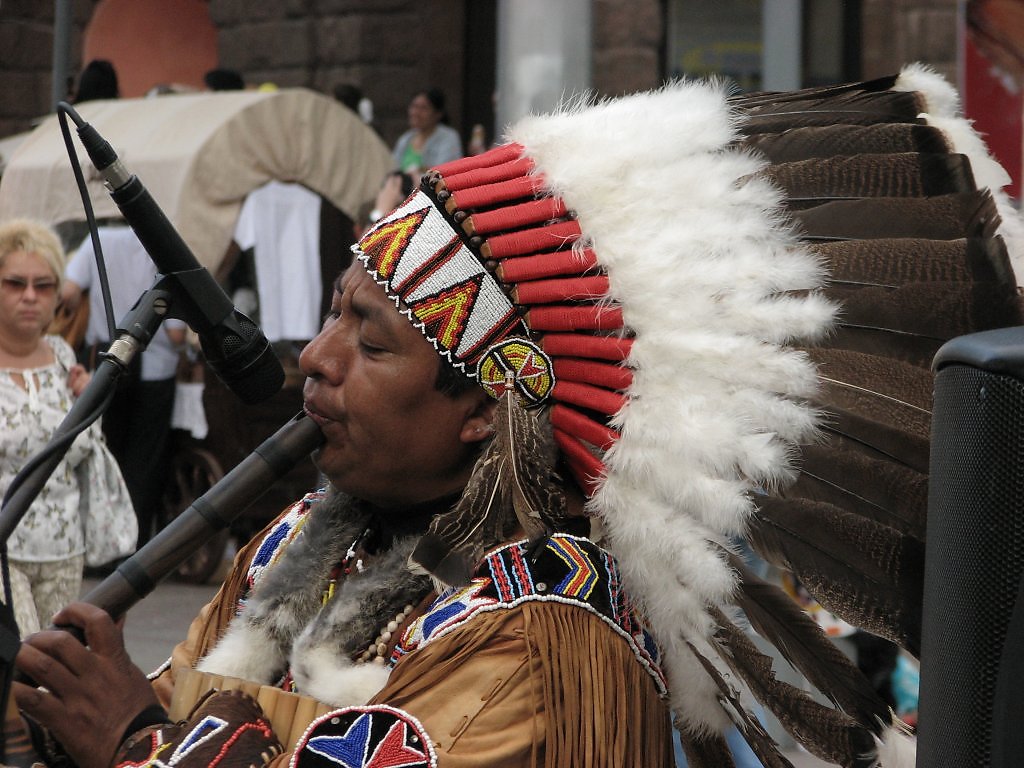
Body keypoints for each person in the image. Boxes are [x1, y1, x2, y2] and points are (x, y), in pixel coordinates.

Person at [13, 67, 1017, 768]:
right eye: (330, 314)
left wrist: (138, 743)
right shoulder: (303, 549)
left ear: (482, 415)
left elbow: (156, 726)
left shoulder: (542, 635)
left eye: (369, 343)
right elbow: (170, 692)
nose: (314, 361)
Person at [0, 219, 135, 637]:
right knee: (18, 660)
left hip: (63, 549)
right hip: (4, 548)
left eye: (43, 286)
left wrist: (84, 403)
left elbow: (83, 454)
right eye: (15, 283)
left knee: (53, 670)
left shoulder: (63, 358)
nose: (30, 296)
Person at [61, 224, 187, 547]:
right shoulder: (162, 245)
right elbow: (175, 334)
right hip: (154, 369)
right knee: (144, 459)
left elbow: (68, 292)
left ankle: (99, 543)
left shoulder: (96, 240)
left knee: (106, 453)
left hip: (107, 361)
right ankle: (132, 546)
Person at [391, 88, 462, 174]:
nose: (416, 112)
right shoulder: (406, 138)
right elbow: (392, 169)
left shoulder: (448, 137)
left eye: (424, 108)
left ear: (438, 114)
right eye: (414, 106)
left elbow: (444, 173)